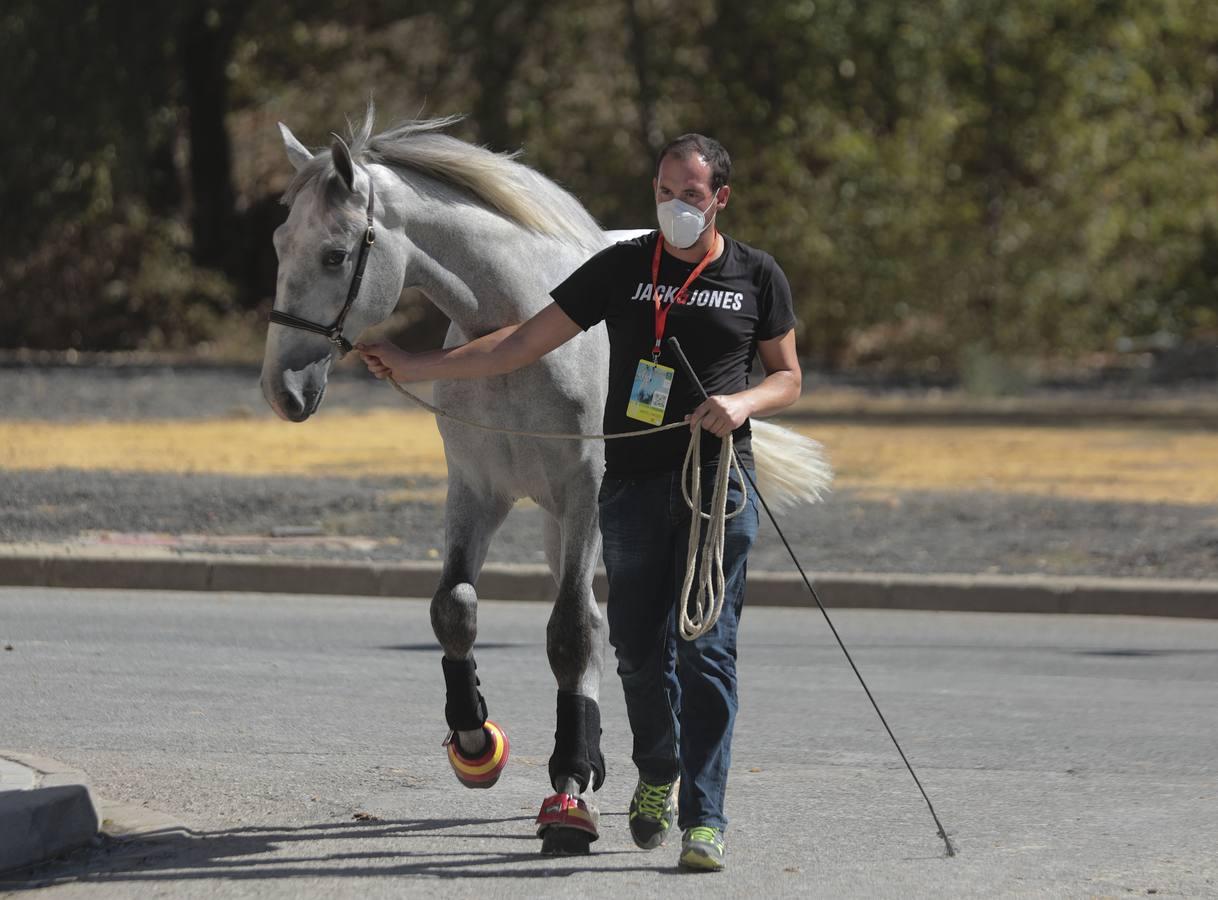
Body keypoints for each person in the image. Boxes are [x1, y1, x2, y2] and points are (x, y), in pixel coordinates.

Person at [358, 133, 800, 871]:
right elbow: (516, 346)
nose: (674, 207)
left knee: (707, 653)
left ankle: (706, 818)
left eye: (689, 196)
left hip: (715, 482)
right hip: (628, 487)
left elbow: (789, 377)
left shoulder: (757, 275)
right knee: (633, 652)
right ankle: (658, 769)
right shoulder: (623, 268)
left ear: (719, 197)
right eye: (663, 192)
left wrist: (742, 402)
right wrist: (415, 363)